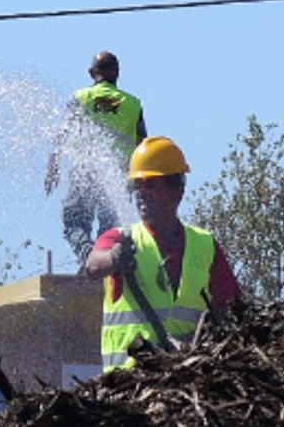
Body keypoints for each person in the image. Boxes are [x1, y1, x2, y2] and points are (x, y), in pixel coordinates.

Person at [83, 135, 244, 371]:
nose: (140, 192)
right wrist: (114, 258)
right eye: (137, 185)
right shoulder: (120, 238)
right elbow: (93, 266)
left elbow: (230, 311)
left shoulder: (205, 245)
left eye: (150, 184)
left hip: (188, 381)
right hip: (127, 384)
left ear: (177, 190)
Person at [44, 51, 146, 259]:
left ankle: (90, 258)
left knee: (74, 223)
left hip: (86, 172)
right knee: (110, 230)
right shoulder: (133, 104)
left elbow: (62, 133)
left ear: (92, 73)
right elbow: (143, 145)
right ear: (117, 73)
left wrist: (53, 167)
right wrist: (142, 182)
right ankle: (102, 262)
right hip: (120, 176)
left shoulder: (81, 98)